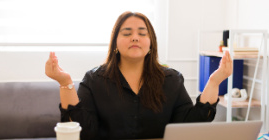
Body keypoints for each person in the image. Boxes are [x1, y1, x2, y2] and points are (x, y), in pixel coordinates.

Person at [45, 11, 233, 140]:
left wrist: (214, 82)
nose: (135, 37)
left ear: (150, 44)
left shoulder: (172, 80)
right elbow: (83, 132)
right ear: (115, 44)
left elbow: (191, 127)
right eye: (127, 33)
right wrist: (65, 82)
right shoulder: (94, 80)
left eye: (142, 33)